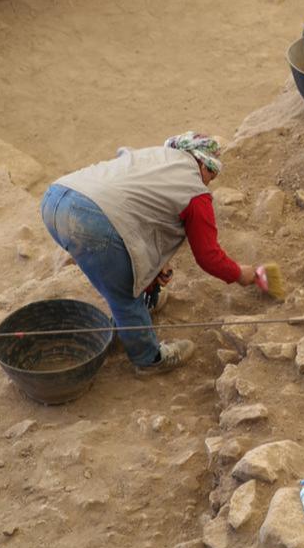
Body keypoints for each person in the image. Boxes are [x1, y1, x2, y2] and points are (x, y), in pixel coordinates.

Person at [41, 132, 260, 374]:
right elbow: (208, 256)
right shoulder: (196, 194)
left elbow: (139, 210)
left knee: (124, 268)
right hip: (92, 222)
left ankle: (137, 310)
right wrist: (241, 274)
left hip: (56, 198)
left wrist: (157, 263)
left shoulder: (156, 156)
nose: (210, 180)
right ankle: (148, 358)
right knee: (124, 293)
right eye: (212, 172)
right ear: (201, 163)